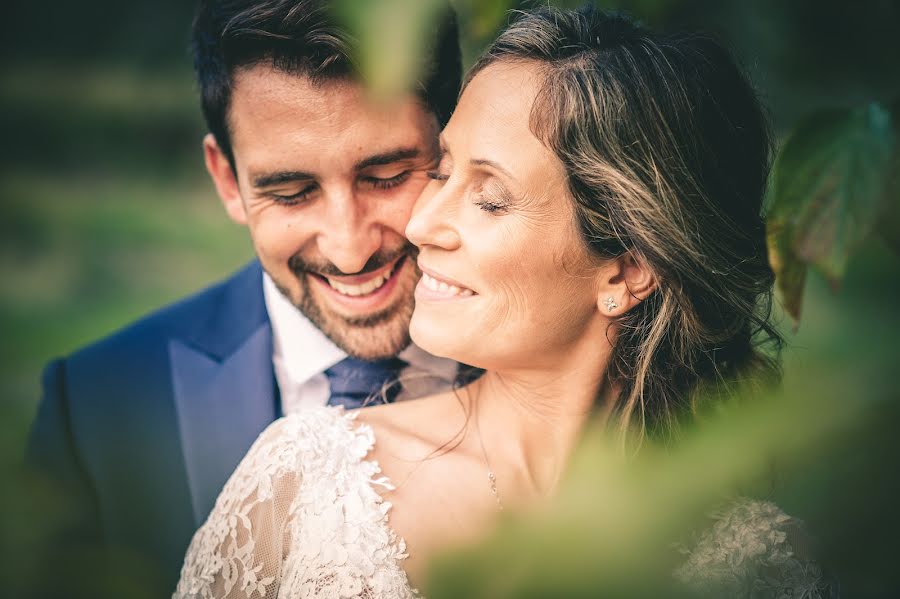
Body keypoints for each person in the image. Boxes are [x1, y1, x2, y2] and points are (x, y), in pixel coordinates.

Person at [175, 6, 838, 599]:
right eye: (440, 171)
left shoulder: (756, 562)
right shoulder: (305, 478)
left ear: (627, 270)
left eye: (488, 197)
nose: (420, 223)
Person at [25, 0, 462, 592]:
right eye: (290, 191)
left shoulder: (581, 361)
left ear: (453, 144)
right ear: (227, 180)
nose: (350, 249)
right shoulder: (98, 408)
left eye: (385, 177)